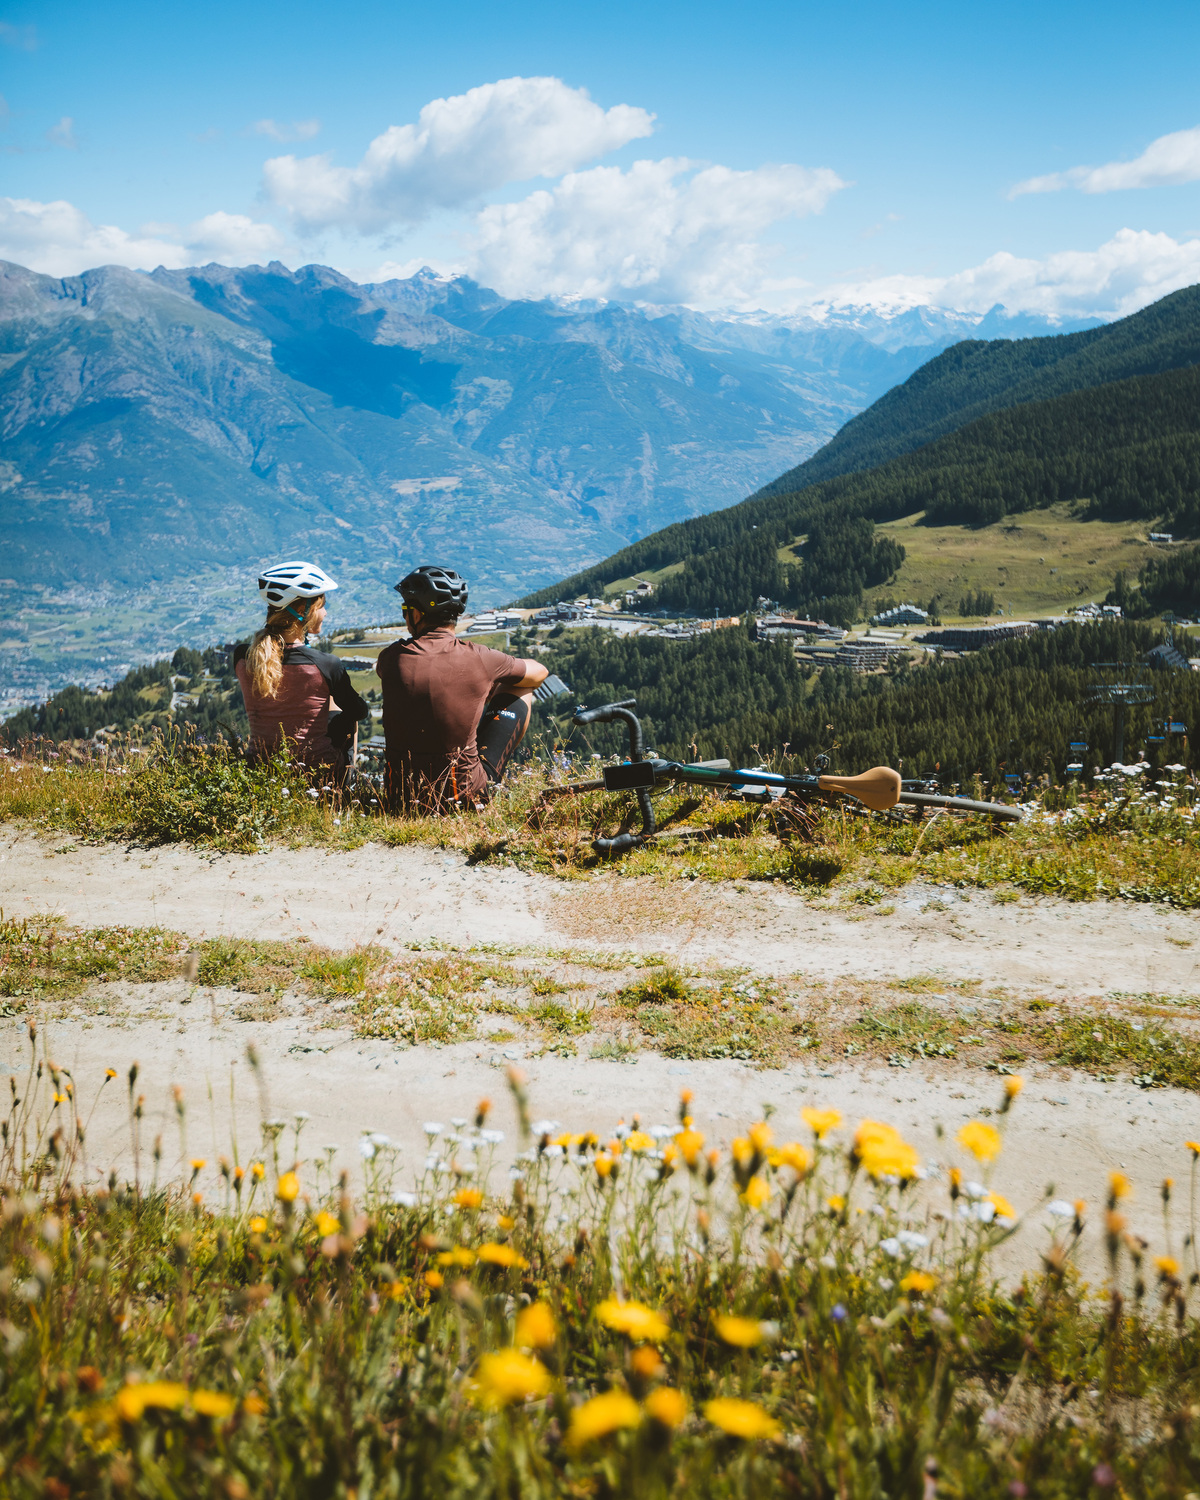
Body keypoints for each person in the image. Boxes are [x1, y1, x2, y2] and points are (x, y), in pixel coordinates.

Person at [376, 565, 547, 810]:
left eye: (406, 609)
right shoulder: (480, 657)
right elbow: (540, 673)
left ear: (416, 614)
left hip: (400, 798)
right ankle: (493, 787)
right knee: (521, 686)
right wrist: (488, 684)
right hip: (463, 798)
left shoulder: (390, 657)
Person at [234, 560, 369, 777]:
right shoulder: (326, 664)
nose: (324, 613)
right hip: (317, 776)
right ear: (301, 610)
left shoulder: (243, 656)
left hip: (258, 773)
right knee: (339, 708)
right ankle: (345, 795)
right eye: (321, 606)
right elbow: (359, 711)